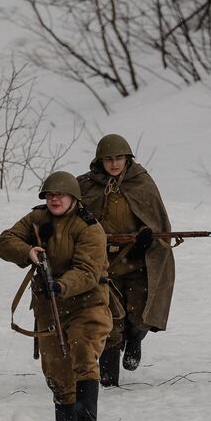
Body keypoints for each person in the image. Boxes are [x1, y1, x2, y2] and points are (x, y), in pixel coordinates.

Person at [0, 172, 112, 421]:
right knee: (56, 368)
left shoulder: (89, 227)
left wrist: (60, 286)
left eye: (60, 195)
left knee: (83, 352)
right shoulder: (37, 218)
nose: (54, 199)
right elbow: (3, 242)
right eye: (49, 195)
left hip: (87, 302)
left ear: (74, 197)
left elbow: (87, 272)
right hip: (48, 306)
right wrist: (27, 252)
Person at [77, 134, 175, 386]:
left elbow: (156, 221)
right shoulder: (86, 186)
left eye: (119, 158)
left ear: (127, 159)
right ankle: (109, 382)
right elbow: (70, 216)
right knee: (109, 320)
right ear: (100, 161)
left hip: (138, 261)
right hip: (102, 264)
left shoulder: (141, 183)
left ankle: (135, 340)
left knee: (139, 314)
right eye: (108, 159)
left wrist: (145, 239)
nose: (114, 164)